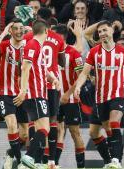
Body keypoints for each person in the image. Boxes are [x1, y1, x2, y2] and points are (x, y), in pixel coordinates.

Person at [74, 20, 124, 168]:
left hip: (117, 94)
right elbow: (84, 73)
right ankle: (109, 161)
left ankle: (116, 161)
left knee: (114, 122)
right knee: (98, 132)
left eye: (104, 30)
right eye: (100, 31)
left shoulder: (123, 52)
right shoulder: (94, 52)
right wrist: (78, 86)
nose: (102, 33)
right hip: (101, 97)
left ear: (111, 31)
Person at [13, 19, 54, 169]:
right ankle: (28, 157)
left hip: (38, 93)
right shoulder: (33, 44)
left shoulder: (38, 46)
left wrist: (52, 78)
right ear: (47, 31)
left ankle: (32, 162)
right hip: (34, 94)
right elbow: (25, 67)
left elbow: (39, 67)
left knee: (40, 129)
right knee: (45, 128)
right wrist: (23, 90)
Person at [0, 18, 28, 168]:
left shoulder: (28, 46)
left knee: (24, 135)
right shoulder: (5, 45)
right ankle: (20, 162)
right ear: (11, 31)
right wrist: (4, 32)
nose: (19, 31)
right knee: (12, 125)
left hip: (23, 94)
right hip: (5, 93)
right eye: (15, 29)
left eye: (21, 29)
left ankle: (11, 154)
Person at [52, 24, 85, 168]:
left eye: (53, 35)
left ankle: (81, 166)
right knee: (57, 130)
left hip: (70, 99)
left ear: (60, 37)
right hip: (54, 98)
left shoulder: (73, 53)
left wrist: (68, 93)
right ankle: (55, 164)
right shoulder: (49, 52)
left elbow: (81, 76)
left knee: (74, 132)